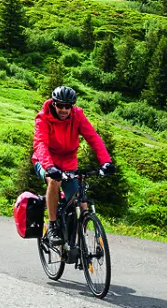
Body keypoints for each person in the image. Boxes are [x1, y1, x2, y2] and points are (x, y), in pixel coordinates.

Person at [32, 86, 114, 245]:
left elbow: (93, 138)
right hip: (45, 161)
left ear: (72, 106)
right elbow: (40, 144)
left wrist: (106, 162)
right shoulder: (43, 118)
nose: (63, 109)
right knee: (54, 182)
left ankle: (79, 243)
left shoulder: (78, 116)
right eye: (60, 105)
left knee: (81, 202)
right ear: (54, 104)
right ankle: (52, 225)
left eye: (67, 106)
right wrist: (49, 167)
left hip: (68, 163)